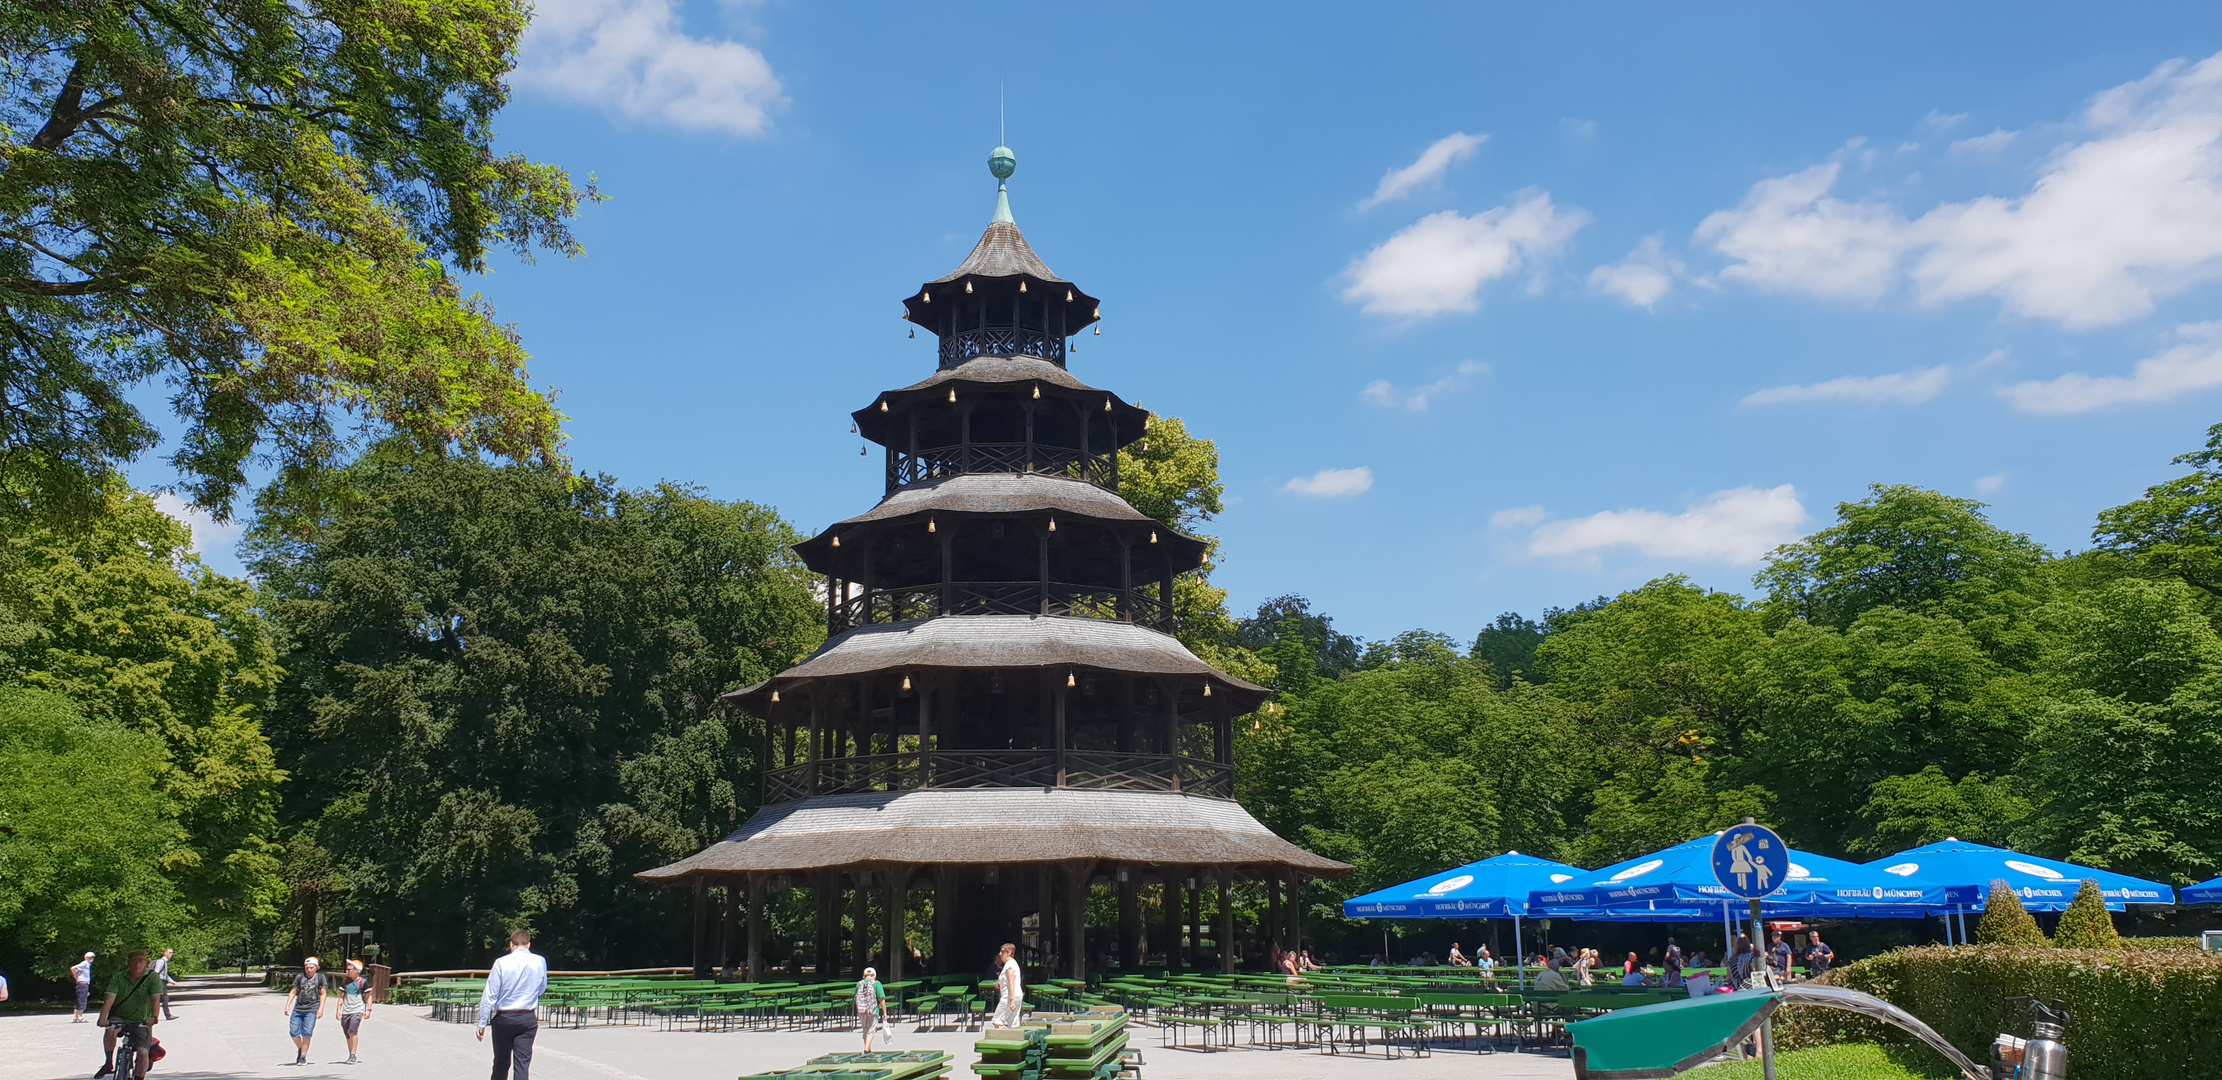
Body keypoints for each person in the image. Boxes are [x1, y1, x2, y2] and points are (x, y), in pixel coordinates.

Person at [477, 928, 548, 1080]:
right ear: (529, 944)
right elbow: (542, 989)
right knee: (522, 1064)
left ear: (511, 944)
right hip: (527, 1016)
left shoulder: (501, 963)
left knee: (501, 1063)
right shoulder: (540, 961)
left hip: (505, 1017)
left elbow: (490, 994)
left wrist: (482, 1022)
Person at [95, 950, 162, 1080]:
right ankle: (109, 1062)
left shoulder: (152, 978)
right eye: (134, 961)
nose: (137, 964)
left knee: (143, 1052)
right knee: (110, 1031)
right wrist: (102, 1018)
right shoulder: (119, 977)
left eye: (141, 961)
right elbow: (110, 997)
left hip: (141, 1019)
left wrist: (154, 1017)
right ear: (128, 963)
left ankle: (139, 1077)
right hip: (120, 1016)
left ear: (146, 963)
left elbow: (155, 998)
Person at [284, 956, 326, 1066]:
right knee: (293, 1031)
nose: (309, 970)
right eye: (307, 967)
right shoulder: (299, 977)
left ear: (316, 967)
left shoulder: (321, 978)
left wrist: (321, 1009)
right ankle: (301, 1047)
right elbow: (293, 991)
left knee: (307, 1032)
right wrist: (287, 1006)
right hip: (298, 1008)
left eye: (311, 967)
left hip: (312, 1008)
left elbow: (323, 993)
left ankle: (302, 1056)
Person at [337, 959, 373, 1065]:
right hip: (346, 1011)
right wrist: (338, 1009)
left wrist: (368, 1010)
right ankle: (351, 1054)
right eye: (347, 970)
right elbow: (341, 997)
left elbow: (368, 997)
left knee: (353, 1031)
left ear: (357, 970)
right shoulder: (345, 982)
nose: (347, 972)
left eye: (350, 970)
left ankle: (353, 1054)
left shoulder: (363, 983)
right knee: (347, 1033)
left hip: (357, 1010)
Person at [989, 944, 1023, 1028]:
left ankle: (1000, 1039)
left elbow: (1012, 983)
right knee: (1013, 1023)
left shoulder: (1009, 965)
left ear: (1009, 952)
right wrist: (1000, 984)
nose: (1000, 954)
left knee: (997, 1021)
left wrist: (1011, 1001)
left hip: (1009, 997)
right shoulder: (1013, 963)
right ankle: (1014, 1039)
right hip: (1017, 995)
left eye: (1002, 951)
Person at [854, 966, 888, 1050]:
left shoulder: (859, 984)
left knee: (865, 1030)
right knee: (871, 1030)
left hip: (861, 1011)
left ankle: (868, 1049)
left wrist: (858, 1009)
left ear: (863, 976)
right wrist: (884, 1012)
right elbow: (881, 998)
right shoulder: (877, 984)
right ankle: (866, 1048)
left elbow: (856, 997)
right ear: (874, 976)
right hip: (873, 1010)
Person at [154, 947, 181, 1021]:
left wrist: (172, 981)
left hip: (162, 981)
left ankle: (167, 1015)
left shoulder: (165, 962)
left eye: (172, 953)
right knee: (162, 999)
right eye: (169, 952)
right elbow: (156, 973)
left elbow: (165, 974)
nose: (171, 954)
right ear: (165, 953)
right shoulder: (161, 961)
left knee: (163, 999)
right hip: (159, 982)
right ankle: (167, 1015)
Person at [73, 951, 95, 1022]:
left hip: (82, 984)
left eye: (92, 957)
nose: (91, 959)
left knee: (79, 1000)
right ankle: (80, 1017)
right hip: (83, 983)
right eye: (89, 957)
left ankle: (76, 1017)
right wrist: (76, 977)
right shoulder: (85, 963)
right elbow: (73, 968)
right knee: (83, 1000)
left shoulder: (87, 964)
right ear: (86, 958)